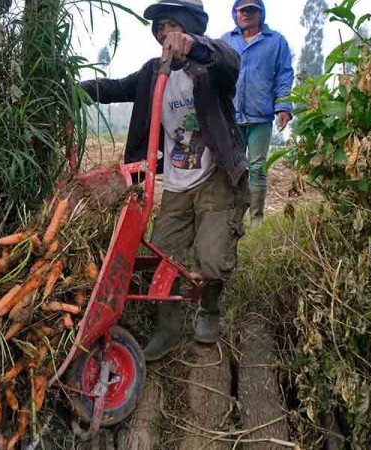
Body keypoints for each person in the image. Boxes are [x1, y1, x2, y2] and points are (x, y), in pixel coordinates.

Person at [79, 0, 249, 361]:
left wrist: (195, 47)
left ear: (189, 27)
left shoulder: (210, 68)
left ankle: (210, 308)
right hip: (176, 182)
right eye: (159, 26)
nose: (163, 33)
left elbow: (229, 59)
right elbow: (114, 89)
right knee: (163, 258)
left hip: (216, 176)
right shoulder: (152, 72)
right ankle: (168, 330)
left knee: (211, 257)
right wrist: (76, 91)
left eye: (171, 25)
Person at [222, 0, 294, 228]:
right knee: (231, 168)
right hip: (231, 116)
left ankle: (256, 221)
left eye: (252, 10)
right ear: (235, 14)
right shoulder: (226, 41)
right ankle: (231, 219)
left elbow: (284, 75)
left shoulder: (276, 42)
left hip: (260, 116)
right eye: (242, 11)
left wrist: (283, 107)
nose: (247, 15)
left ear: (261, 14)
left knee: (257, 169)